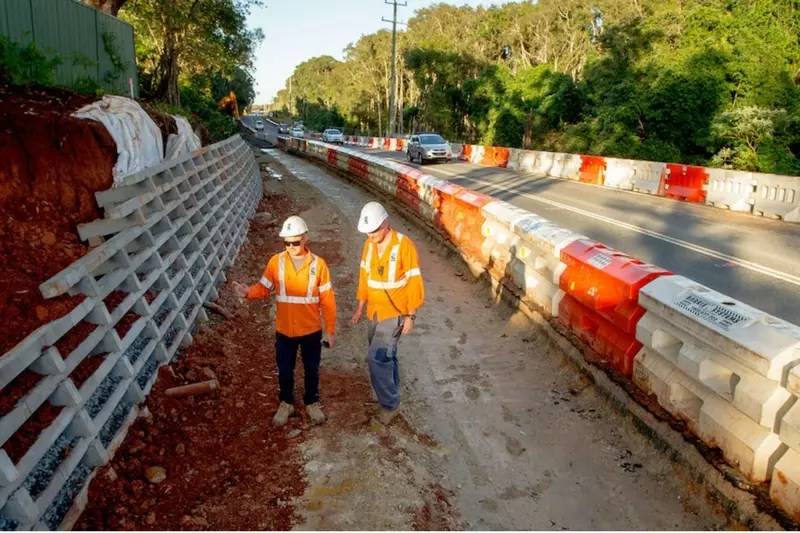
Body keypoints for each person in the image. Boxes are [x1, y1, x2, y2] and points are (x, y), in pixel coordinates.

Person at [232, 215, 336, 426]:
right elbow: (263, 288)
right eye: (287, 243)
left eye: (295, 242)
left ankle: (311, 402)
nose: (291, 247)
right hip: (285, 330)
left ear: (305, 238)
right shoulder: (276, 262)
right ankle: (286, 403)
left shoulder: (319, 265)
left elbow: (328, 302)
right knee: (285, 369)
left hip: (310, 329)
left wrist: (330, 330)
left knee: (311, 368)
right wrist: (247, 293)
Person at [350, 202, 424, 425]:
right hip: (373, 311)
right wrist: (360, 306)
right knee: (387, 357)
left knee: (376, 358)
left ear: (385, 223)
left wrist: (411, 315)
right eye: (367, 232)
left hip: (395, 313)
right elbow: (365, 277)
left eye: (374, 231)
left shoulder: (404, 246)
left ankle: (390, 405)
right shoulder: (368, 246)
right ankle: (391, 393)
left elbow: (414, 282)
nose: (371, 236)